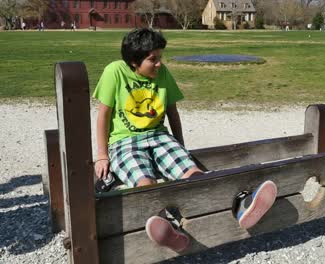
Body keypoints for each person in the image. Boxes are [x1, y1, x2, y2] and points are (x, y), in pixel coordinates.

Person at [92, 28, 278, 252]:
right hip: (125, 142)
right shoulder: (115, 71)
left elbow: (173, 113)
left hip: (159, 137)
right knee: (145, 185)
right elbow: (103, 115)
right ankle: (168, 228)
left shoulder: (163, 73)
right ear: (134, 61)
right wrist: (102, 154)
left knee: (194, 177)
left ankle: (241, 205)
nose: (159, 63)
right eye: (153, 59)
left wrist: (180, 147)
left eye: (160, 57)